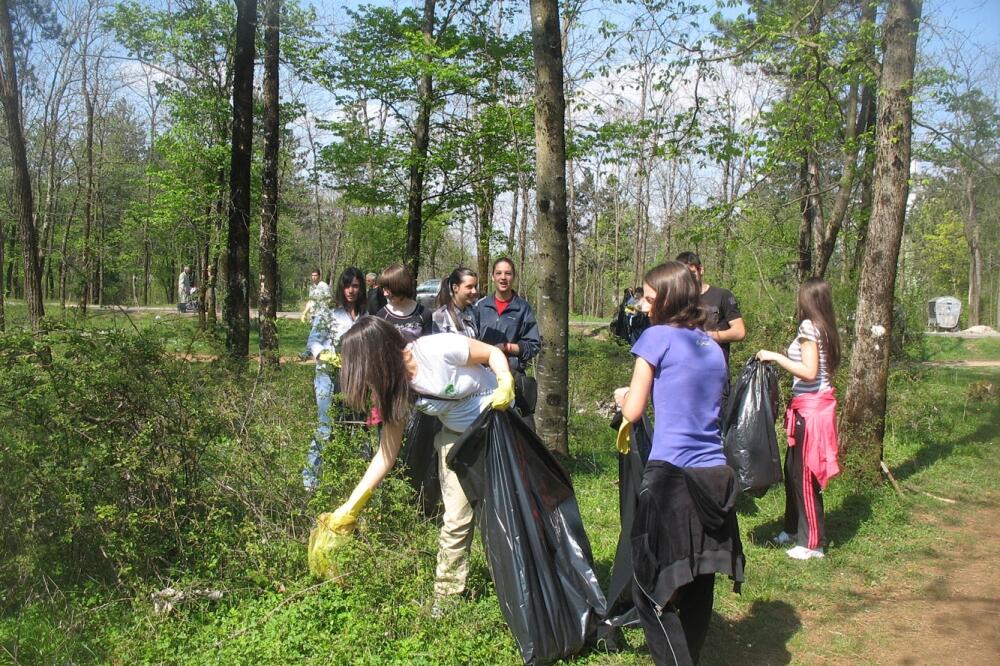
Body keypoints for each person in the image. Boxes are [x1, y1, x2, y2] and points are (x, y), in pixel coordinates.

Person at [321, 316, 515, 614]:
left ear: (377, 357)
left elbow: (491, 353)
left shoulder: (436, 349)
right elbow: (386, 455)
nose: (366, 381)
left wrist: (505, 380)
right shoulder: (395, 389)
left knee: (512, 512)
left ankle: (521, 583)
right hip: (458, 441)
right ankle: (446, 599)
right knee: (455, 520)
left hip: (501, 429)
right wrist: (350, 507)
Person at [613, 261, 744, 666]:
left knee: (649, 589)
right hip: (716, 479)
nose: (643, 305)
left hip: (673, 480)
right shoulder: (710, 346)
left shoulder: (656, 338)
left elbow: (633, 411)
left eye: (650, 298)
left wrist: (622, 396)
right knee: (699, 579)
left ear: (668, 300)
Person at [756, 277, 841, 560]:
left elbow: (809, 372)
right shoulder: (825, 327)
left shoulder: (809, 328)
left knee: (805, 476)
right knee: (793, 471)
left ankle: (813, 543)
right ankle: (793, 529)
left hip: (811, 412)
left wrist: (776, 357)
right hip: (809, 408)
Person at [303, 267, 367, 489]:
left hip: (354, 379)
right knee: (326, 427)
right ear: (341, 287)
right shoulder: (330, 313)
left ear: (361, 288)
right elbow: (313, 341)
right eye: (347, 285)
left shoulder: (366, 316)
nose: (351, 290)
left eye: (355, 286)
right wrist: (325, 355)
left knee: (352, 426)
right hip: (328, 377)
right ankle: (310, 480)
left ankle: (344, 478)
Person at [474, 258, 541, 418]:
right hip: (481, 378)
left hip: (512, 377)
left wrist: (506, 347)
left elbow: (533, 345)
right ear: (492, 277)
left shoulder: (523, 308)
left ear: (514, 276)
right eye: (499, 273)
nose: (503, 277)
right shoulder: (480, 306)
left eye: (508, 273)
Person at [675, 252, 745, 367]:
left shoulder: (723, 295)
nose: (689, 278)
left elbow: (739, 332)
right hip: (685, 369)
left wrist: (708, 336)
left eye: (692, 273)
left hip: (716, 368)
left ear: (701, 270)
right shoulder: (678, 301)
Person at [376, 263, 431, 343]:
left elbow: (428, 347)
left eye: (388, 289)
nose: (385, 294)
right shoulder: (381, 316)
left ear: (400, 286)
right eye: (383, 289)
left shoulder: (424, 314)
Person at [432, 267, 478, 337]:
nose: (474, 291)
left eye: (475, 286)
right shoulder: (441, 316)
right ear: (455, 288)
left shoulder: (473, 312)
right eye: (469, 287)